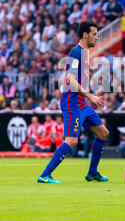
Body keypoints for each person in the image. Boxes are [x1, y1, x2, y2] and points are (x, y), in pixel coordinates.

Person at [38, 21, 109, 184]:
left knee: (103, 133)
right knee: (71, 141)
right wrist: (90, 96)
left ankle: (92, 173)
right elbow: (70, 79)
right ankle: (45, 175)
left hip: (82, 102)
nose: (97, 38)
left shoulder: (86, 52)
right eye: (94, 34)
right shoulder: (76, 52)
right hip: (72, 102)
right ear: (85, 35)